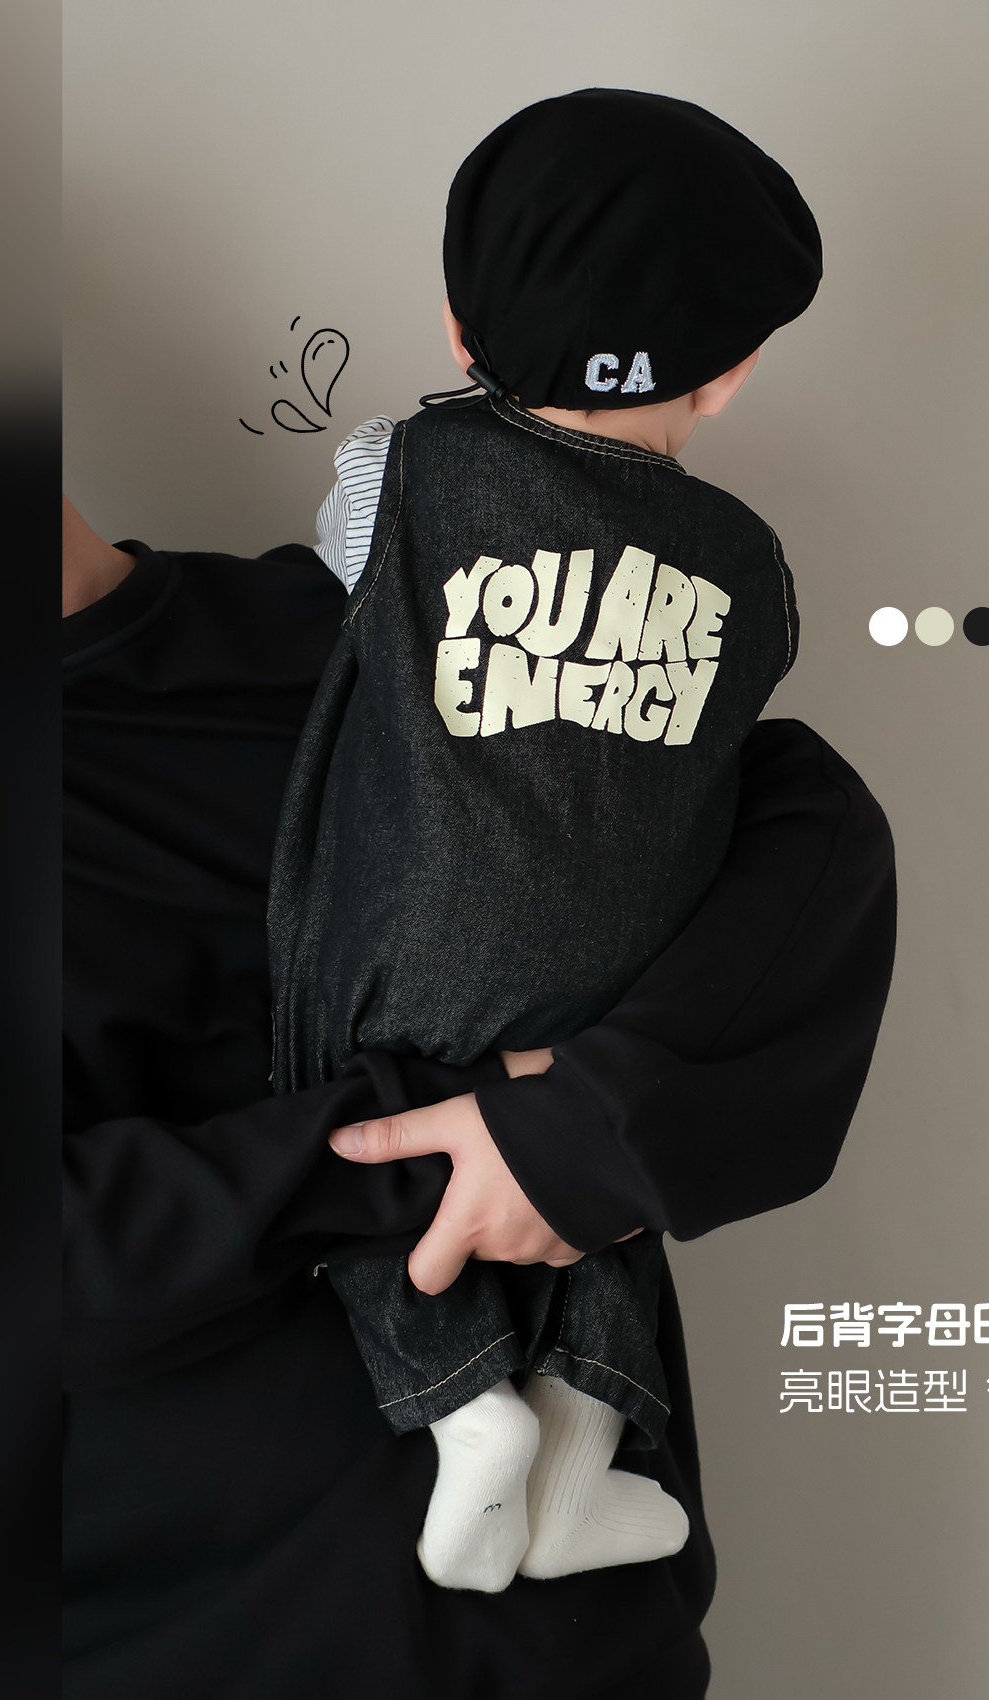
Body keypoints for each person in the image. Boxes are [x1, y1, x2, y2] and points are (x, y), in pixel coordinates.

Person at [63, 500, 895, 1694]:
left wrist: (589, 1125)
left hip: (567, 1638)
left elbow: (792, 810)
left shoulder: (375, 622)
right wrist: (458, 1127)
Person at [268, 87, 832, 1593]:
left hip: (413, 943)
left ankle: (468, 1420)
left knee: (361, 1130)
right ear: (728, 375)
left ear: (462, 331)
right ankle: (583, 1447)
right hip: (625, 976)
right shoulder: (750, 564)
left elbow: (342, 575)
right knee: (594, 1176)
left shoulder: (405, 469)